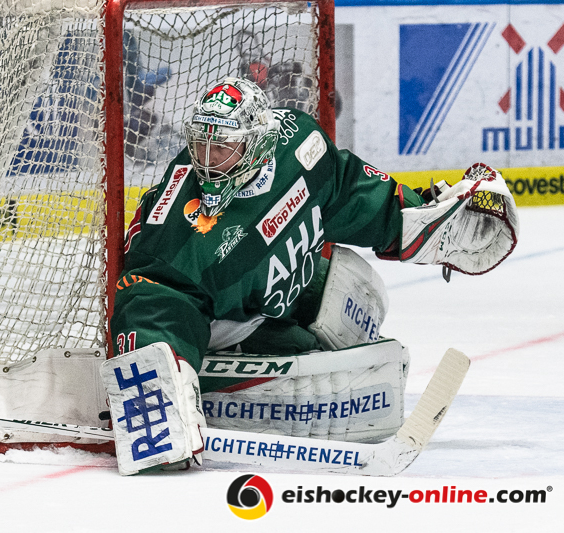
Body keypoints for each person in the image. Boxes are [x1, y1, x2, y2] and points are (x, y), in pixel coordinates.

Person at [100, 77, 519, 475]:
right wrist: (155, 397)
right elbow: (153, 299)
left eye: (222, 148)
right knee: (325, 379)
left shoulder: (299, 145)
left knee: (351, 285)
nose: (208, 162)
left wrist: (423, 221)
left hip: (270, 288)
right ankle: (202, 386)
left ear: (259, 143)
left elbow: (348, 190)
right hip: (216, 321)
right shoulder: (179, 238)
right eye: (200, 146)